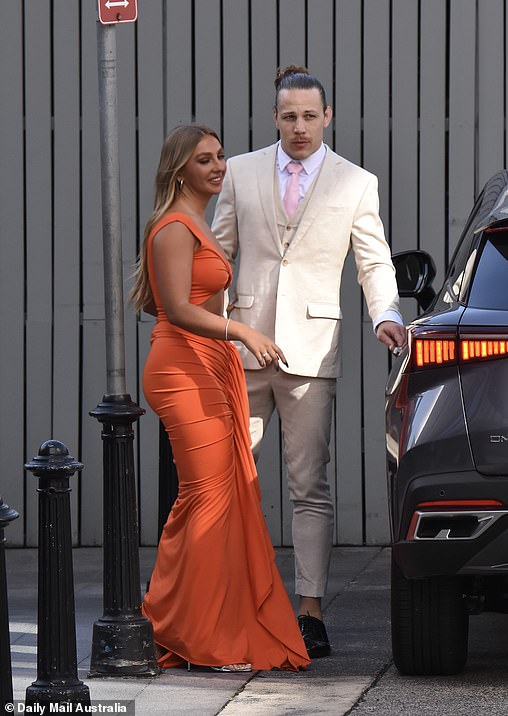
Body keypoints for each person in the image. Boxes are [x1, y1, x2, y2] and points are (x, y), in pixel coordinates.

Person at [212, 66, 406, 658]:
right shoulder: (241, 172)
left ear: (328, 118)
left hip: (310, 350)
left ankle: (310, 612)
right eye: (288, 116)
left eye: (309, 116)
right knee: (228, 480)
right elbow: (218, 254)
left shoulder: (355, 183)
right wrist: (212, 329)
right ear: (275, 118)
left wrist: (385, 315)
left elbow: (373, 261)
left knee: (308, 486)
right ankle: (230, 601)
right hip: (242, 346)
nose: (299, 127)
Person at [131, 124, 310, 672]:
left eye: (220, 156)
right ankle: (177, 625)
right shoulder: (174, 227)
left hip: (202, 365)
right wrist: (244, 333)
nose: (217, 165)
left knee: (218, 497)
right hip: (182, 371)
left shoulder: (193, 225)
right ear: (179, 169)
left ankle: (192, 621)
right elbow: (174, 312)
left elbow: (169, 300)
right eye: (203, 159)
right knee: (205, 499)